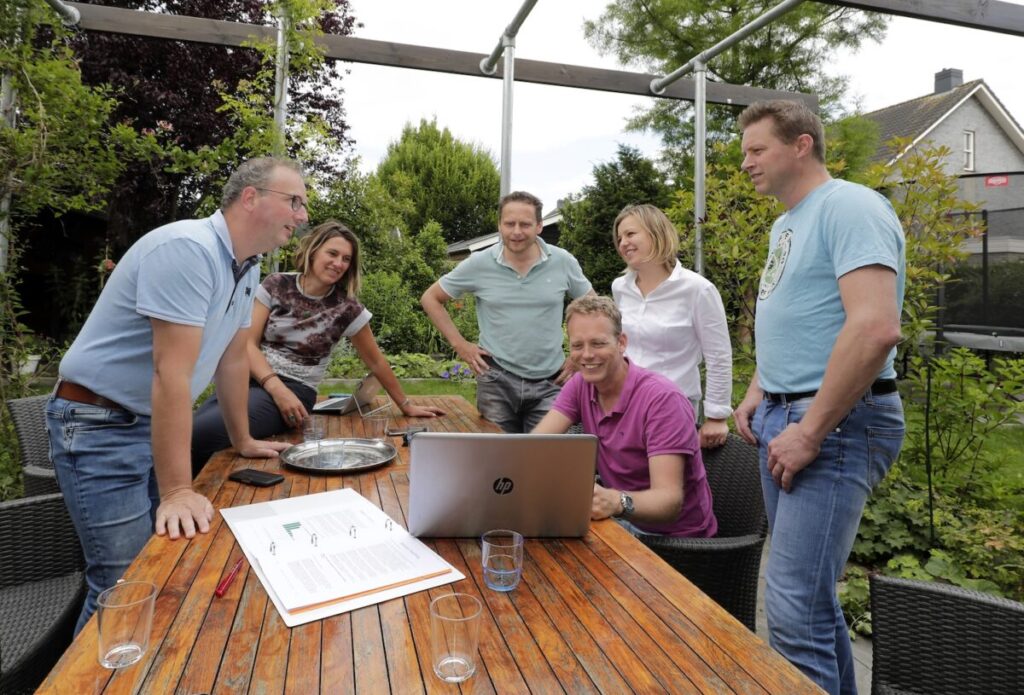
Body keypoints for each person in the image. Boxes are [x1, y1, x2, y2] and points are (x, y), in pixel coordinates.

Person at [47, 156, 307, 632]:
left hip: (143, 424)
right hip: (98, 426)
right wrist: (178, 491)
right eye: (294, 201)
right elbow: (171, 375)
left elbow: (231, 360)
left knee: (159, 566)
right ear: (251, 198)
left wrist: (243, 440)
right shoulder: (188, 249)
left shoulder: (245, 269)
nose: (303, 215)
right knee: (124, 584)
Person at [733, 100, 906, 695]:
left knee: (789, 609)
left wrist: (809, 430)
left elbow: (875, 327)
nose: (747, 163)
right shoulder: (788, 223)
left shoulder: (850, 205)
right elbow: (801, 316)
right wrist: (761, 387)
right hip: (788, 411)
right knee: (807, 602)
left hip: (833, 421)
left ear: (802, 145)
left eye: (758, 150)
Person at [191, 220, 444, 470]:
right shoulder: (277, 285)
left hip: (295, 390)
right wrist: (275, 388)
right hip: (249, 380)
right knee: (187, 429)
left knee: (201, 433)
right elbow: (247, 344)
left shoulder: (347, 308)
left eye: (346, 259)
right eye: (332, 253)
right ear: (313, 250)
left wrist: (406, 405)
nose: (339, 263)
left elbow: (376, 361)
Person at [533, 295, 717, 538]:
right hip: (619, 522)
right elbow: (534, 446)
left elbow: (669, 501)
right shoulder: (581, 384)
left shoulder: (662, 400)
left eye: (598, 344)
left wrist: (615, 501)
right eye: (577, 345)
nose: (586, 355)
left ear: (621, 342)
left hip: (676, 541)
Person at [420, 190, 593, 433]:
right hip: (496, 381)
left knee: (544, 460)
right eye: (509, 223)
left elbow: (594, 309)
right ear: (500, 225)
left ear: (539, 226)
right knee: (497, 464)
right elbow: (430, 298)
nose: (516, 231)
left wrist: (579, 355)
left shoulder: (562, 261)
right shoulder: (479, 263)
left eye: (525, 224)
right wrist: (460, 344)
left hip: (550, 381)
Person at [611, 203, 733, 448]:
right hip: (625, 406)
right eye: (620, 237)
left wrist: (716, 416)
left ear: (656, 233)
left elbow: (718, 355)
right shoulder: (620, 288)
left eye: (631, 234)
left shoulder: (697, 289)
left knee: (666, 482)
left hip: (673, 407)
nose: (623, 242)